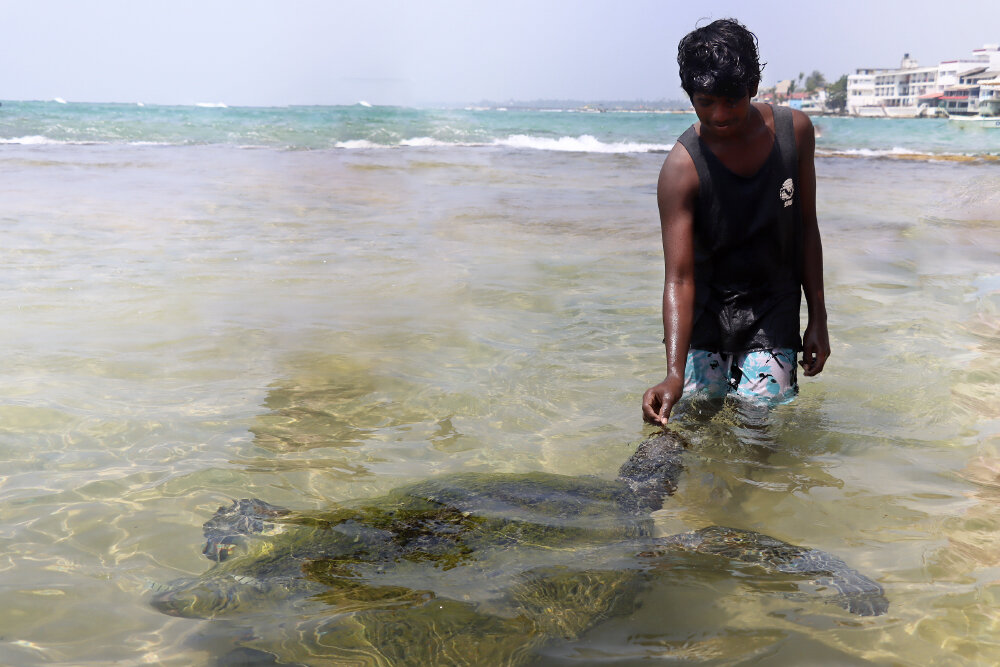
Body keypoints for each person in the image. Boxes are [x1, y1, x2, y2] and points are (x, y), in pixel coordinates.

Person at [641, 18, 830, 426]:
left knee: (758, 431)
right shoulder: (681, 169)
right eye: (705, 101)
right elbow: (678, 278)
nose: (720, 114)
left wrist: (818, 317)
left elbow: (807, 229)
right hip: (706, 311)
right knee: (690, 425)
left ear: (753, 86)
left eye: (731, 99)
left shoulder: (794, 133)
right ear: (690, 95)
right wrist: (674, 373)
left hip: (773, 305)